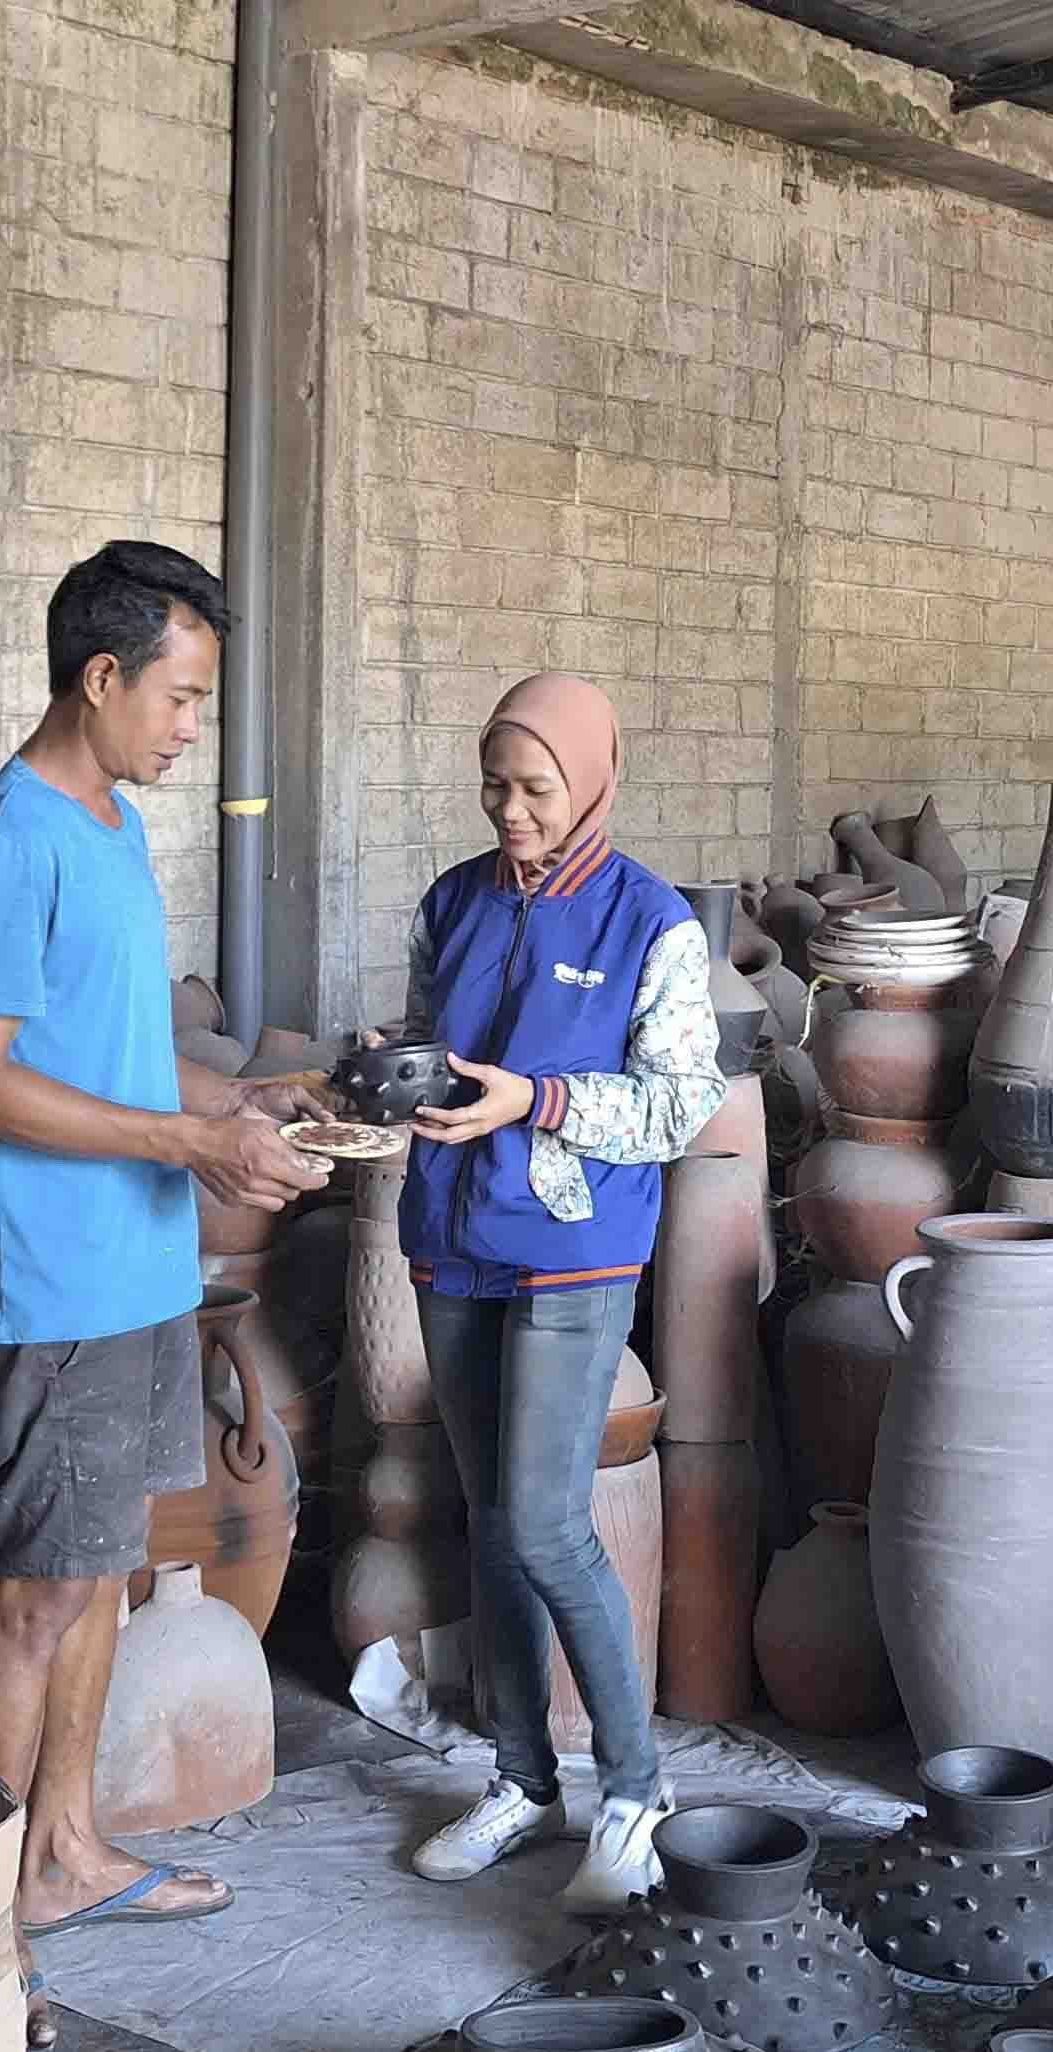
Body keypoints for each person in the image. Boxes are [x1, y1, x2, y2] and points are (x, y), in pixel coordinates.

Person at [0, 539, 333, 2046]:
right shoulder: (12, 835)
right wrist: (183, 1138)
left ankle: (67, 1849)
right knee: (36, 1598)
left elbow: (101, 1050)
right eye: (178, 694)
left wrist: (257, 1109)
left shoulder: (106, 826)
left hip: (139, 1262)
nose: (187, 727)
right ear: (99, 677)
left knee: (99, 1573)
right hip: (53, 1284)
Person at [395, 671, 726, 1912]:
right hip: (452, 1233)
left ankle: (635, 1792)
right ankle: (521, 1779)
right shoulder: (451, 902)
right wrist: (379, 1087)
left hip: (573, 1249)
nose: (511, 811)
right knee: (487, 1520)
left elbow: (678, 1106)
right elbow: (429, 1039)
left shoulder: (651, 923)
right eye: (494, 785)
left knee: (543, 1522)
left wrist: (530, 1101)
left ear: (590, 779)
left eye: (534, 787)